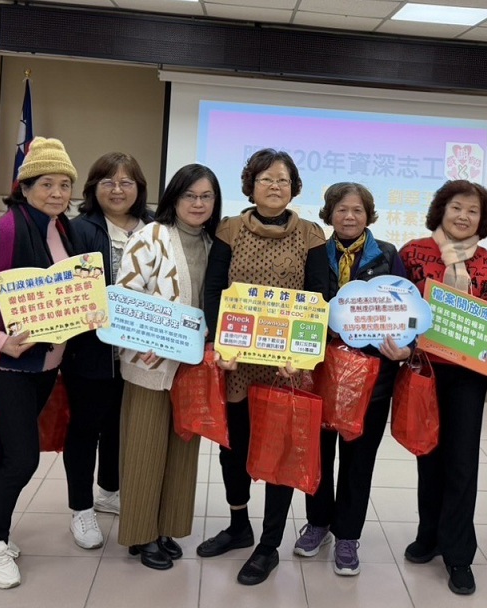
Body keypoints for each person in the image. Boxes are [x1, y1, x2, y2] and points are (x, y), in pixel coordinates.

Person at [0, 137, 78, 589]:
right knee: (23, 459)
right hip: (10, 366)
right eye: (47, 184)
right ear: (24, 187)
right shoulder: (3, 232)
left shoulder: (62, 230)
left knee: (8, 449)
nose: (57, 193)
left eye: (65, 184)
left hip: (47, 363)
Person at [197, 148, 327, 586]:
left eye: (283, 180)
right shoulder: (229, 229)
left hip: (285, 367)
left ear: (294, 188)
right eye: (266, 179)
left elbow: (318, 296)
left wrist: (302, 357)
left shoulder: (311, 234)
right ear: (250, 186)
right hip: (236, 361)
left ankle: (268, 545)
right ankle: (239, 525)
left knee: (279, 451)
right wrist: (219, 343)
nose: (275, 186)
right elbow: (214, 290)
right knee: (232, 448)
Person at [292, 182, 411, 576]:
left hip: (372, 378)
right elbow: (302, 304)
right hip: (319, 372)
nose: (349, 216)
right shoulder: (314, 252)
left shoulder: (387, 255)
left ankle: (347, 535)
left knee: (359, 460)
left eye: (357, 210)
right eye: (341, 209)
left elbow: (405, 312)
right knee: (319, 453)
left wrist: (403, 346)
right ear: (329, 213)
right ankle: (318, 523)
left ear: (368, 215)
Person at [399, 179, 487, 596]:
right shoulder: (412, 253)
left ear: (483, 219)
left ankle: (459, 555)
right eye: (457, 208)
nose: (464, 216)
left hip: (467, 376)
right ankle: (429, 534)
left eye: (473, 211)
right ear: (441, 210)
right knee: (427, 453)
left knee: (462, 462)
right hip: (423, 369)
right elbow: (398, 306)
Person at [115, 163, 221, 570]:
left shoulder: (213, 243)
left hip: (192, 365)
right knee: (145, 448)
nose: (198, 203)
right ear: (174, 198)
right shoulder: (151, 235)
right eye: (189, 195)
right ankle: (140, 535)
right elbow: (126, 296)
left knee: (182, 449)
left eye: (206, 196)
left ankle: (165, 528)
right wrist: (144, 340)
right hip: (151, 362)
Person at [61, 152, 152, 550]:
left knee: (120, 426)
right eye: (108, 182)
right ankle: (81, 509)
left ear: (139, 188)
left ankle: (109, 491)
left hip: (141, 354)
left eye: (126, 182)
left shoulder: (155, 228)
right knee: (85, 428)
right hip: (89, 351)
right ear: (93, 188)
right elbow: (67, 289)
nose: (117, 190)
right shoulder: (77, 229)